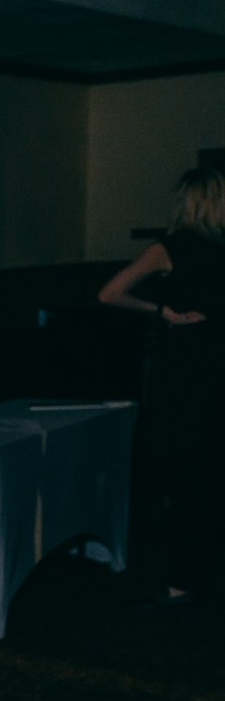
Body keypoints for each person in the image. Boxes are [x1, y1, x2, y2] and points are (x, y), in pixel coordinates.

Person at [98, 166, 225, 601]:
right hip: (213, 367)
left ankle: (174, 578)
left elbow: (109, 294)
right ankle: (189, 574)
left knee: (179, 468)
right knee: (206, 472)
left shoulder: (169, 248)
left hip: (184, 371)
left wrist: (160, 311)